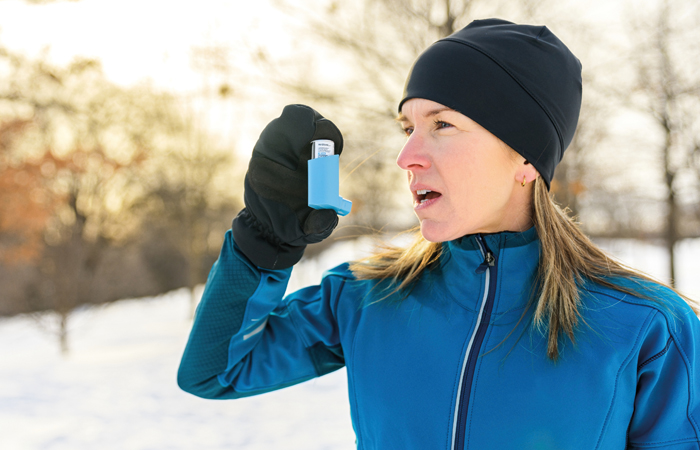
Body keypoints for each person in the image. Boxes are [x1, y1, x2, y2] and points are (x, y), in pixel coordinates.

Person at [178, 19, 700, 449]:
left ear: (525, 157)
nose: (406, 156)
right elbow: (216, 371)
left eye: (442, 125)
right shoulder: (366, 297)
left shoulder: (647, 329)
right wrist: (264, 243)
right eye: (408, 128)